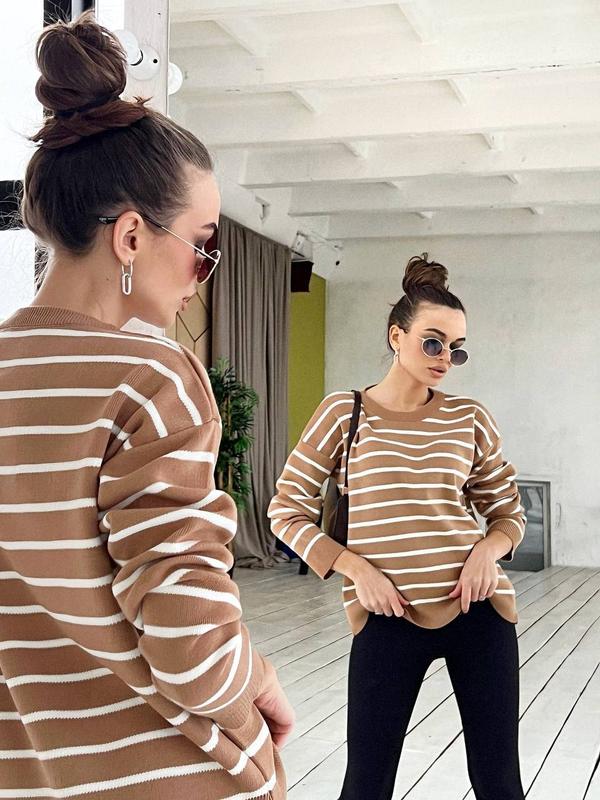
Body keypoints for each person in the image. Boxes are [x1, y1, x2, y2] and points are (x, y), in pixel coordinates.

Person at [0, 12, 292, 800]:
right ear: (131, 237)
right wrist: (258, 678)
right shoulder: (150, 377)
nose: (204, 271)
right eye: (203, 244)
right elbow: (188, 642)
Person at [268, 254, 527, 800]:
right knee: (366, 785)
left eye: (456, 348)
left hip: (479, 613)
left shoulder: (469, 418)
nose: (445, 358)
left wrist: (487, 552)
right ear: (396, 336)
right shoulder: (344, 413)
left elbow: (508, 511)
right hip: (387, 618)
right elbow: (285, 510)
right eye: (433, 343)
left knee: (499, 783)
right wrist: (355, 569)